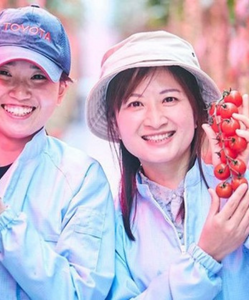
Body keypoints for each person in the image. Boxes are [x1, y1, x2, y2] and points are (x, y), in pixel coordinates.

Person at [0, 5, 115, 299]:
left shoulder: (82, 180)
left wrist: (4, 222)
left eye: (38, 77)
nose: (21, 91)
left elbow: (82, 293)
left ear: (61, 91)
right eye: (4, 73)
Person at [86, 30, 249, 299]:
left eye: (169, 99)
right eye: (136, 103)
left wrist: (241, 182)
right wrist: (205, 258)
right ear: (115, 123)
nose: (155, 119)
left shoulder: (236, 188)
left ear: (197, 111)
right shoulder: (109, 223)